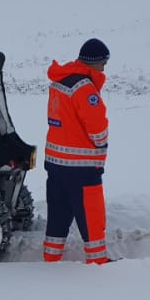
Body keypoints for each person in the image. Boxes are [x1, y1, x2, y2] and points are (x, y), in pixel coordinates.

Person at [42, 38, 111, 264]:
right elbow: (97, 129)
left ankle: (51, 260)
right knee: (91, 218)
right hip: (82, 168)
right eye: (103, 63)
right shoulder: (85, 88)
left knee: (57, 218)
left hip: (55, 164)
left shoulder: (58, 82)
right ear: (94, 62)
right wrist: (101, 144)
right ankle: (98, 264)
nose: (104, 69)